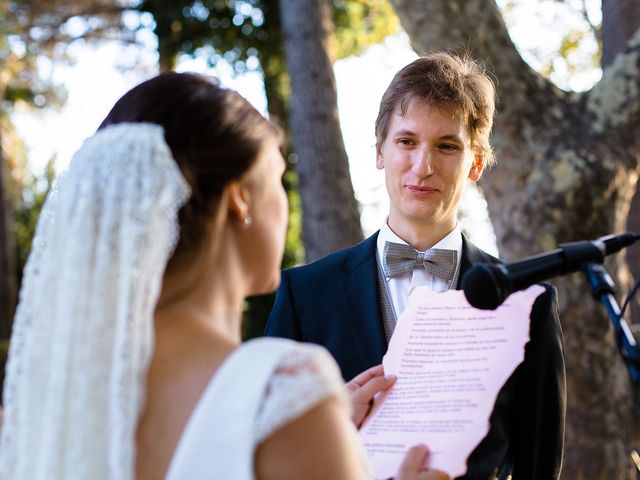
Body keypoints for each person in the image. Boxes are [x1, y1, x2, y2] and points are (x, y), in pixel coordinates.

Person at [0, 72, 450, 480]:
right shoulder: (284, 389)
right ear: (240, 200)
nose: (285, 198)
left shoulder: (59, 398)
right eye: (277, 175)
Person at [265, 52, 566, 479]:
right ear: (380, 152)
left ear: (476, 162)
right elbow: (271, 457)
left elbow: (539, 466)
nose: (422, 167)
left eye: (447, 146)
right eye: (407, 141)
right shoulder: (304, 295)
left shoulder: (526, 306)